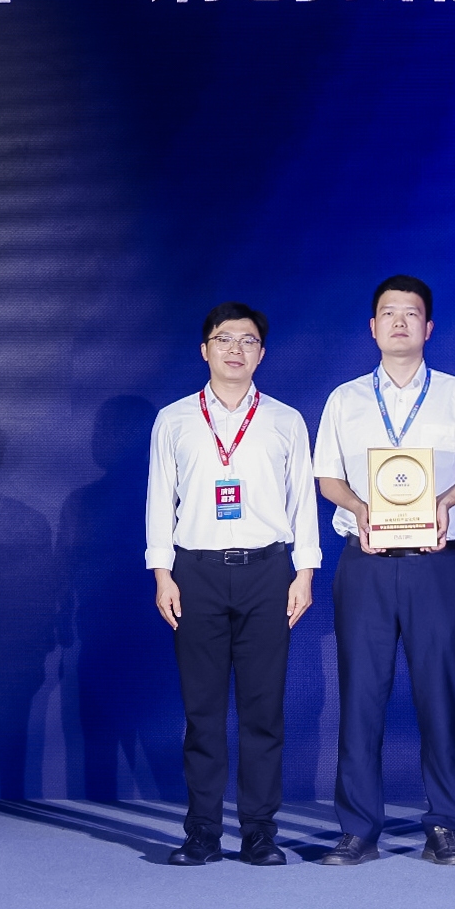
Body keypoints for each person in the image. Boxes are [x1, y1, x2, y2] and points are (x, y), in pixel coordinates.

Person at [314, 274, 455, 866]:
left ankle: (445, 825)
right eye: (388, 313)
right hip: (365, 563)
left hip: (435, 564)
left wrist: (446, 500)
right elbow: (327, 477)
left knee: (440, 697)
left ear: (429, 327)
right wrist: (359, 508)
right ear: (373, 328)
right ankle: (357, 829)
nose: (399, 322)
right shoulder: (345, 399)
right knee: (360, 698)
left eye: (411, 313)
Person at [145, 302, 320, 866]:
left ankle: (259, 832)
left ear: (261, 354)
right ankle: (202, 832)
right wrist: (162, 573)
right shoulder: (174, 419)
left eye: (248, 341)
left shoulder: (286, 420)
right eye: (224, 339)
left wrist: (305, 572)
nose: (236, 349)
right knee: (202, 714)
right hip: (194, 573)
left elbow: (303, 500)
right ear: (205, 350)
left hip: (268, 573)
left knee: (263, 712)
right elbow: (159, 500)